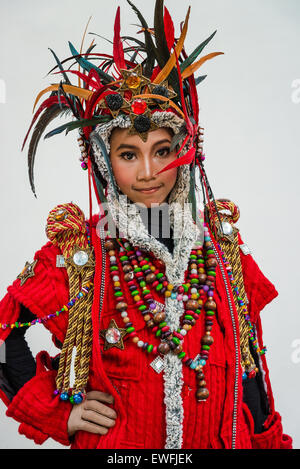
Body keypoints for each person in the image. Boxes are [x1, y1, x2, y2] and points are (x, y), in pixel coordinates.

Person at [0, 0, 293, 449]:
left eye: (162, 149)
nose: (149, 172)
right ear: (103, 160)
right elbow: (5, 338)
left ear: (185, 151)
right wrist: (59, 412)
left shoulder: (221, 251)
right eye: (128, 154)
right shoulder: (80, 254)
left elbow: (250, 377)